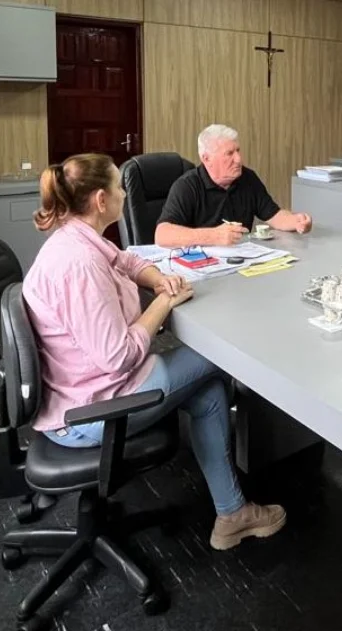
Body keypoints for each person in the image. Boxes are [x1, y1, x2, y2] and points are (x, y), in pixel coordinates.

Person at [24, 153, 286, 551]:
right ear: (100, 200)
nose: (124, 194)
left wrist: (158, 278)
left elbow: (127, 260)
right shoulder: (80, 265)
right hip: (90, 411)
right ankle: (238, 502)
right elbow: (119, 357)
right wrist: (164, 303)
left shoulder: (77, 237)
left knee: (208, 392)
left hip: (84, 388)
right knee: (220, 360)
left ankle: (232, 514)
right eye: (118, 187)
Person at [155, 124, 313, 248]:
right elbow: (162, 235)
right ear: (206, 158)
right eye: (229, 153)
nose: (238, 159)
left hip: (242, 262)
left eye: (238, 151)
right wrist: (213, 236)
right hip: (201, 266)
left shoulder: (248, 178)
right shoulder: (187, 186)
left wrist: (295, 221)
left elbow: (274, 215)